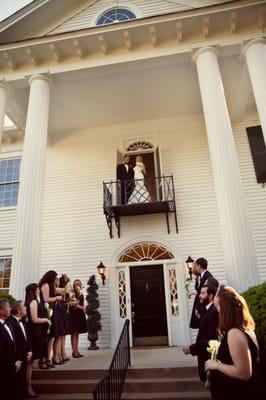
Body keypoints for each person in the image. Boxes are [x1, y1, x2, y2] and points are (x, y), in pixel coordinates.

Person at [205, 285, 260, 400]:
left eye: (215, 296)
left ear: (222, 304)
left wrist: (215, 365)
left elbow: (244, 373)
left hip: (236, 393)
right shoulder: (245, 330)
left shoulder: (234, 333)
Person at [183, 284, 219, 382]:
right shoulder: (206, 310)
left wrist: (192, 348)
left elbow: (209, 339)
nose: (199, 295)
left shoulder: (213, 312)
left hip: (208, 357)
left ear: (211, 296)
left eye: (203, 293)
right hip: (203, 354)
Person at [25, 283, 51, 397]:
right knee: (30, 362)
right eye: (37, 289)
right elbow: (34, 319)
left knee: (30, 362)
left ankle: (27, 385)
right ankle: (28, 387)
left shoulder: (30, 301)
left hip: (33, 331)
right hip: (34, 332)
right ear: (34, 290)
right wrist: (46, 320)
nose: (39, 290)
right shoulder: (34, 302)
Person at [7, 300, 32, 398]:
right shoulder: (10, 322)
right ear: (18, 310)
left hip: (25, 356)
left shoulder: (22, 321)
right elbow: (14, 342)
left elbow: (27, 338)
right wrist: (20, 357)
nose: (26, 308)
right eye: (24, 307)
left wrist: (30, 350)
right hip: (16, 358)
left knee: (22, 380)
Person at [39, 270, 63, 367]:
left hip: (52, 312)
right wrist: (57, 298)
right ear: (50, 277)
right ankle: (43, 360)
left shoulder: (52, 286)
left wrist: (69, 288)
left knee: (51, 337)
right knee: (47, 337)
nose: (56, 280)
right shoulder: (45, 285)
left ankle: (48, 358)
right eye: (55, 278)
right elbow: (46, 299)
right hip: (46, 312)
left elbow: (60, 290)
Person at [0, 298, 22, 400]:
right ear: (1, 311)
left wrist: (18, 359)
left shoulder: (8, 324)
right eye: (8, 307)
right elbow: (2, 351)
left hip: (14, 365)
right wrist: (12, 365)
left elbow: (15, 343)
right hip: (5, 368)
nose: (10, 309)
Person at [189, 258, 218, 329]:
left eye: (195, 266)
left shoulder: (208, 277)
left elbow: (209, 293)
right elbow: (201, 291)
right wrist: (194, 293)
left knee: (205, 327)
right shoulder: (201, 276)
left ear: (199, 266)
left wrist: (202, 309)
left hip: (205, 306)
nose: (195, 268)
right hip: (201, 305)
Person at [69, 279, 87, 358]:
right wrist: (82, 307)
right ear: (73, 285)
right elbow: (73, 304)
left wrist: (84, 310)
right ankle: (74, 351)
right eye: (76, 284)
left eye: (79, 284)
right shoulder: (72, 293)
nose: (78, 285)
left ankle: (76, 351)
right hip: (73, 315)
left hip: (80, 315)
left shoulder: (81, 293)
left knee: (77, 333)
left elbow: (82, 302)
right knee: (74, 333)